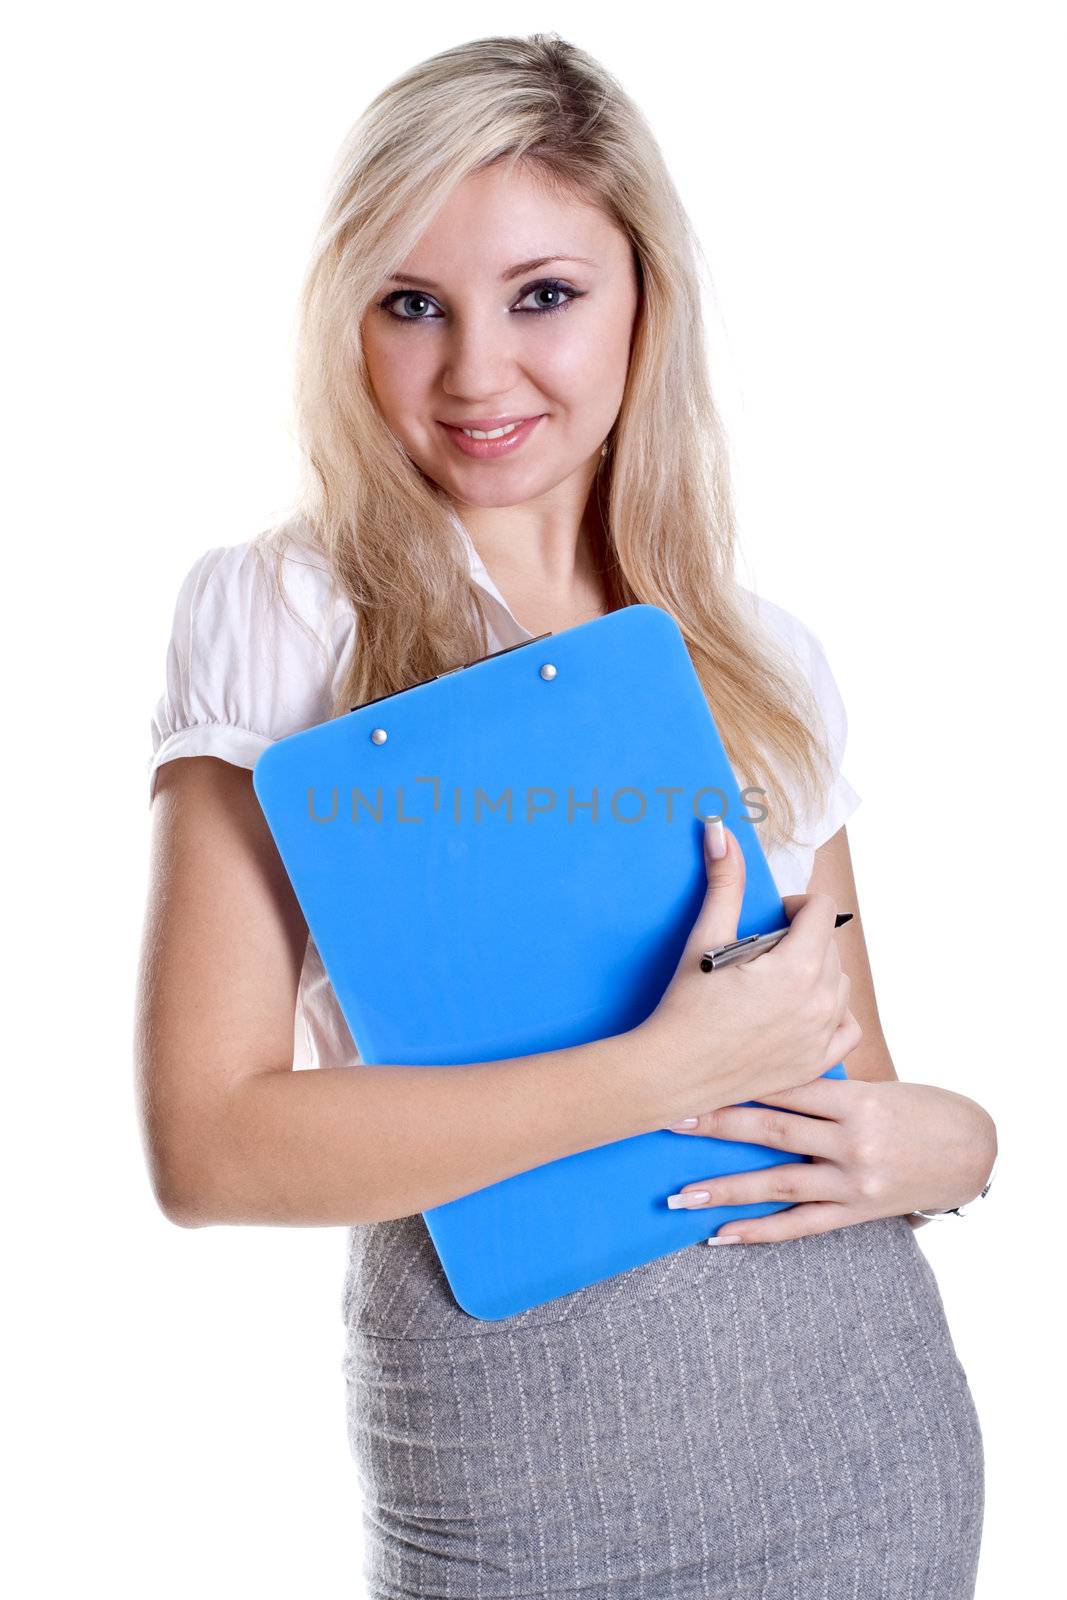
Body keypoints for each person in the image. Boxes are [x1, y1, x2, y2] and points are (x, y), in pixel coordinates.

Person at [136, 32, 998, 1599]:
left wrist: (958, 1142)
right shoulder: (285, 619)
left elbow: (846, 1084)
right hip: (520, 1461)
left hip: (866, 1440)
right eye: (413, 305)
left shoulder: (759, 651)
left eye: (545, 295)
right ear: (348, 320)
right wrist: (652, 1072)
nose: (477, 372)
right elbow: (210, 1146)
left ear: (642, 299)